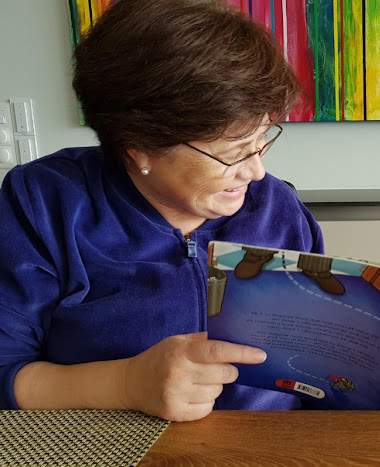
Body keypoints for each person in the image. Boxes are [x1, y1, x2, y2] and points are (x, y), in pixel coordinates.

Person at [0, 0, 324, 421]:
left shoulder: (278, 208)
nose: (257, 172)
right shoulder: (45, 203)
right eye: (231, 154)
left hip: (272, 457)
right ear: (138, 150)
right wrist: (127, 383)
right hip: (106, 463)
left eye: (262, 140)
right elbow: (6, 371)